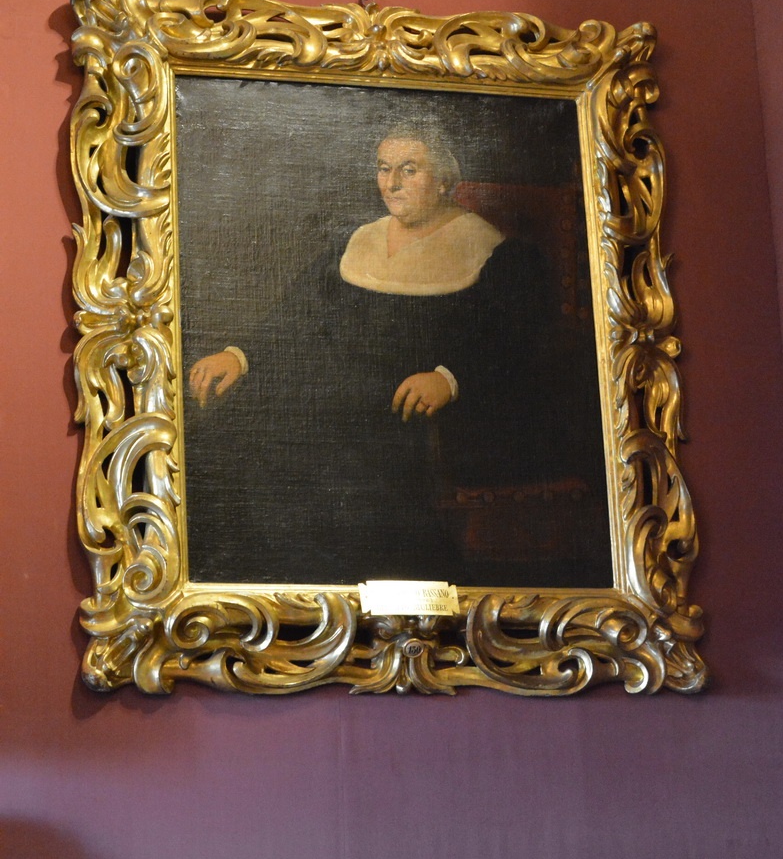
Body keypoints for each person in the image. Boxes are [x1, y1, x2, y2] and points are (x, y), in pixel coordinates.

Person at [186, 123, 577, 586]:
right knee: (229, 429)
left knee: (321, 456)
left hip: (412, 412)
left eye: (408, 170)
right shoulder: (357, 242)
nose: (391, 184)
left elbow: (511, 342)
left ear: (444, 180)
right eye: (384, 169)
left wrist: (449, 379)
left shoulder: (496, 252)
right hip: (333, 395)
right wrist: (239, 355)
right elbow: (297, 315)